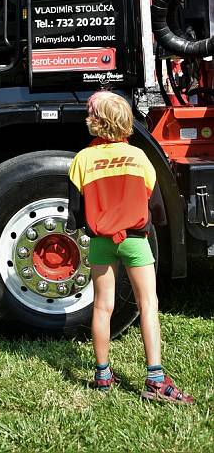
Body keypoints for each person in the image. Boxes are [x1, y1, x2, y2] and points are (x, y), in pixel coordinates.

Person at [67, 91, 193, 403]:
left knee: (102, 307)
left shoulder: (82, 159)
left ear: (95, 123)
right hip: (136, 240)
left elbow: (74, 212)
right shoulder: (139, 158)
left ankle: (103, 374)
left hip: (101, 242)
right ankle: (155, 378)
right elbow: (156, 205)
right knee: (147, 304)